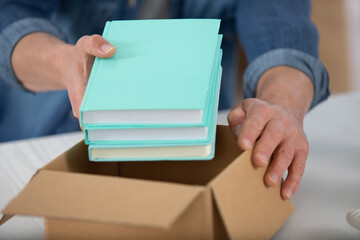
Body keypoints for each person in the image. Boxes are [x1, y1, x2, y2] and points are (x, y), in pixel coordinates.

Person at [0, 0, 329, 199]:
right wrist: (64, 62)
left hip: (188, 159)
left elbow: (284, 33)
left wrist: (281, 105)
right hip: (36, 151)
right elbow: (8, 19)